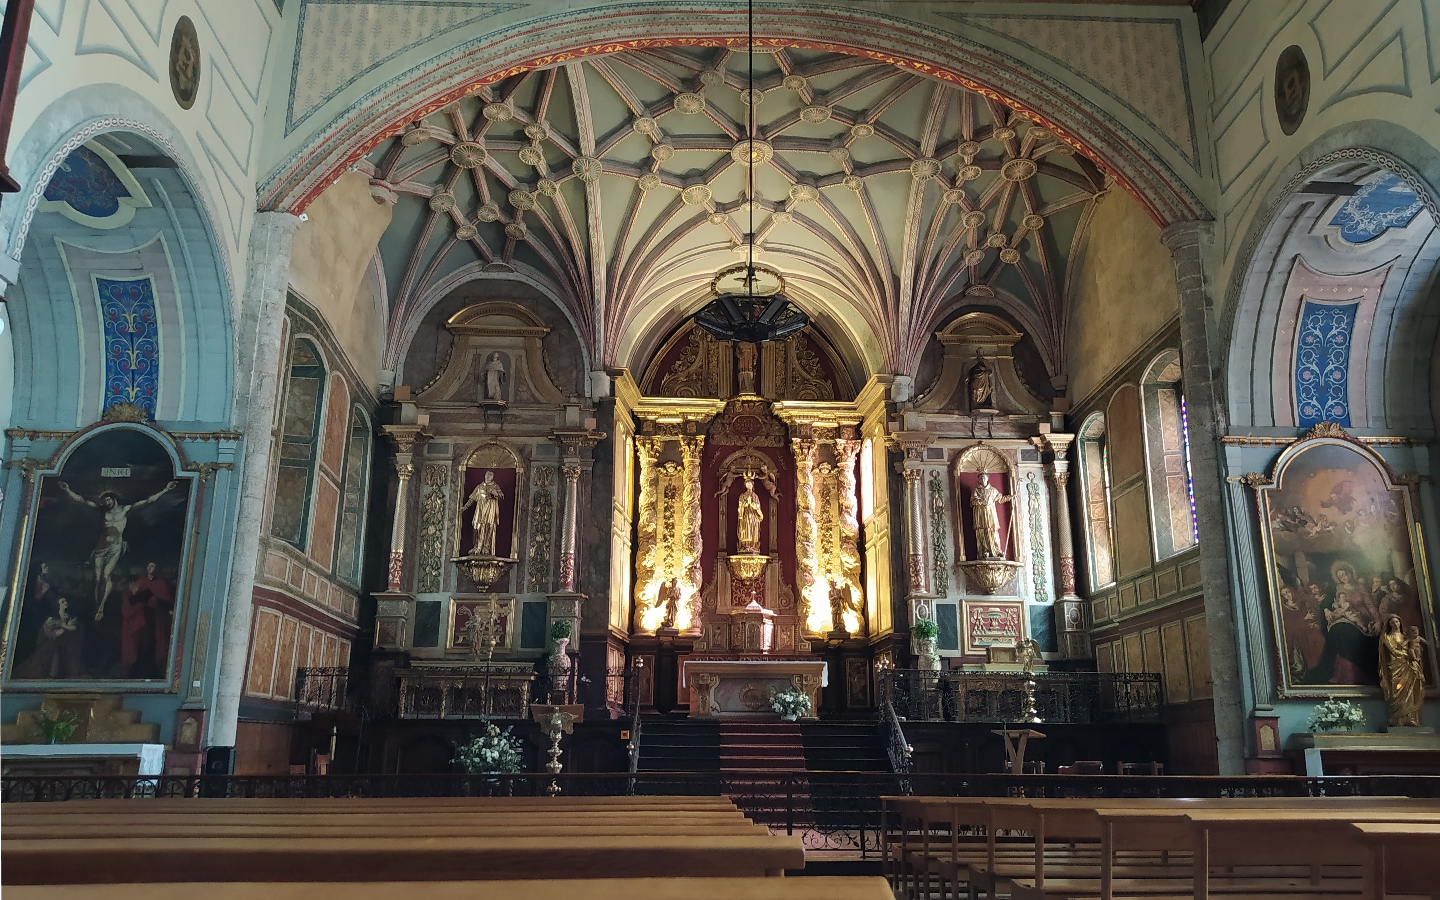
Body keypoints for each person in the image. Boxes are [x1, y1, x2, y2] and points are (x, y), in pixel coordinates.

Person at [54, 478, 179, 621]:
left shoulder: (125, 509)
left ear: (114, 499)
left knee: (106, 575)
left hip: (116, 546)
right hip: (101, 547)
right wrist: (67, 490)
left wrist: (166, 489)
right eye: (105, 501)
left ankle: (101, 607)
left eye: (108, 500)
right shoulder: (102, 511)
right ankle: (96, 605)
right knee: (97, 578)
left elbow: (148, 501)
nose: (107, 503)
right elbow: (82, 500)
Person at [14, 597, 81, 679]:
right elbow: (55, 634)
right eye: (62, 602)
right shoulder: (51, 619)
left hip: (66, 645)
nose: (65, 602)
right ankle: (52, 674)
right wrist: (65, 626)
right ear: (57, 605)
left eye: (65, 601)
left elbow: (74, 628)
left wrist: (64, 626)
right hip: (50, 645)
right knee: (53, 649)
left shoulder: (69, 617)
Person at [1379, 615, 1424, 726]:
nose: (1395, 624)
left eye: (1397, 622)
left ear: (1400, 622)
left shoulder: (1405, 636)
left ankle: (1411, 719)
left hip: (1409, 666)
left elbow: (1414, 646)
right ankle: (1396, 719)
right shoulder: (1387, 637)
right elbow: (1393, 650)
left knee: (1410, 691)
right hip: (1396, 666)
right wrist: (1408, 655)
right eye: (1392, 623)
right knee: (1397, 691)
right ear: (1389, 625)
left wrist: (1415, 654)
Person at [1279, 583, 1325, 679]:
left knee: (1319, 639)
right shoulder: (1284, 608)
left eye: (1289, 591)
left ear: (1293, 591)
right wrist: (1304, 619)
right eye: (1285, 594)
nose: (1288, 595)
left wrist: (1313, 623)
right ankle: (1312, 670)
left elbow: (1311, 614)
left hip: (1307, 628)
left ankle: (1320, 667)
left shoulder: (1302, 603)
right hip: (1295, 633)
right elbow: (1289, 625)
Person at [460, 471, 505, 556]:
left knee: (489, 527)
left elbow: (501, 497)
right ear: (484, 475)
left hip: (490, 510)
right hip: (480, 510)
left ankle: (486, 547)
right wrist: (465, 507)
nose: (488, 476)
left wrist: (496, 494)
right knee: (477, 527)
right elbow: (472, 498)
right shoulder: (479, 487)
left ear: (492, 477)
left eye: (490, 475)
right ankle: (477, 546)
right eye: (487, 475)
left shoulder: (495, 486)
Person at [970, 472, 1012, 559]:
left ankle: (996, 550)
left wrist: (1010, 497)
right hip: (980, 514)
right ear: (979, 480)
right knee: (982, 532)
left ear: (987, 479)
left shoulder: (993, 490)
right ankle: (984, 551)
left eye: (984, 478)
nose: (983, 480)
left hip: (991, 514)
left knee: (993, 531)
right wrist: (981, 502)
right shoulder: (976, 490)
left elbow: (1000, 499)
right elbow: (972, 501)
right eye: (981, 478)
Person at [736, 475, 764, 552]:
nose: (748, 485)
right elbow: (740, 507)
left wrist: (754, 506)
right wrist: (744, 504)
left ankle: (753, 546)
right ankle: (745, 546)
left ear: (752, 485)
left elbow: (758, 507)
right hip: (745, 516)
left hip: (753, 517)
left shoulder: (755, 496)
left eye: (750, 483)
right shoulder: (742, 496)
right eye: (747, 484)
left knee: (753, 531)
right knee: (745, 530)